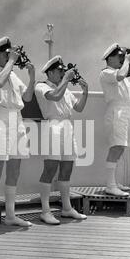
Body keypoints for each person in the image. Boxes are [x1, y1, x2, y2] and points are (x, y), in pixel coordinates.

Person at [0, 36, 35, 235]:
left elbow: (27, 97)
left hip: (17, 121)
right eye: (6, 54)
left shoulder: (12, 74)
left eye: (9, 54)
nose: (9, 56)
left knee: (14, 171)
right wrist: (12, 62)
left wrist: (32, 75)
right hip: (0, 121)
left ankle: (10, 216)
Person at [34, 55, 89, 225]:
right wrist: (66, 79)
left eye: (63, 71)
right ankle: (45, 211)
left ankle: (66, 208)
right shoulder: (41, 86)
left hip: (67, 127)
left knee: (67, 169)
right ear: (50, 72)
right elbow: (55, 97)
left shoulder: (64, 88)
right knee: (50, 169)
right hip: (53, 126)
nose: (62, 73)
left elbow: (78, 108)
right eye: (59, 71)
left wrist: (85, 92)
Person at [99, 43, 130, 196]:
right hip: (116, 111)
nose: (122, 59)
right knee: (116, 147)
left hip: (126, 111)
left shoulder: (120, 73)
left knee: (121, 147)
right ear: (110, 58)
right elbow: (120, 76)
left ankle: (114, 182)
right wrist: (127, 61)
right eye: (119, 57)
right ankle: (110, 185)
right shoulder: (107, 73)